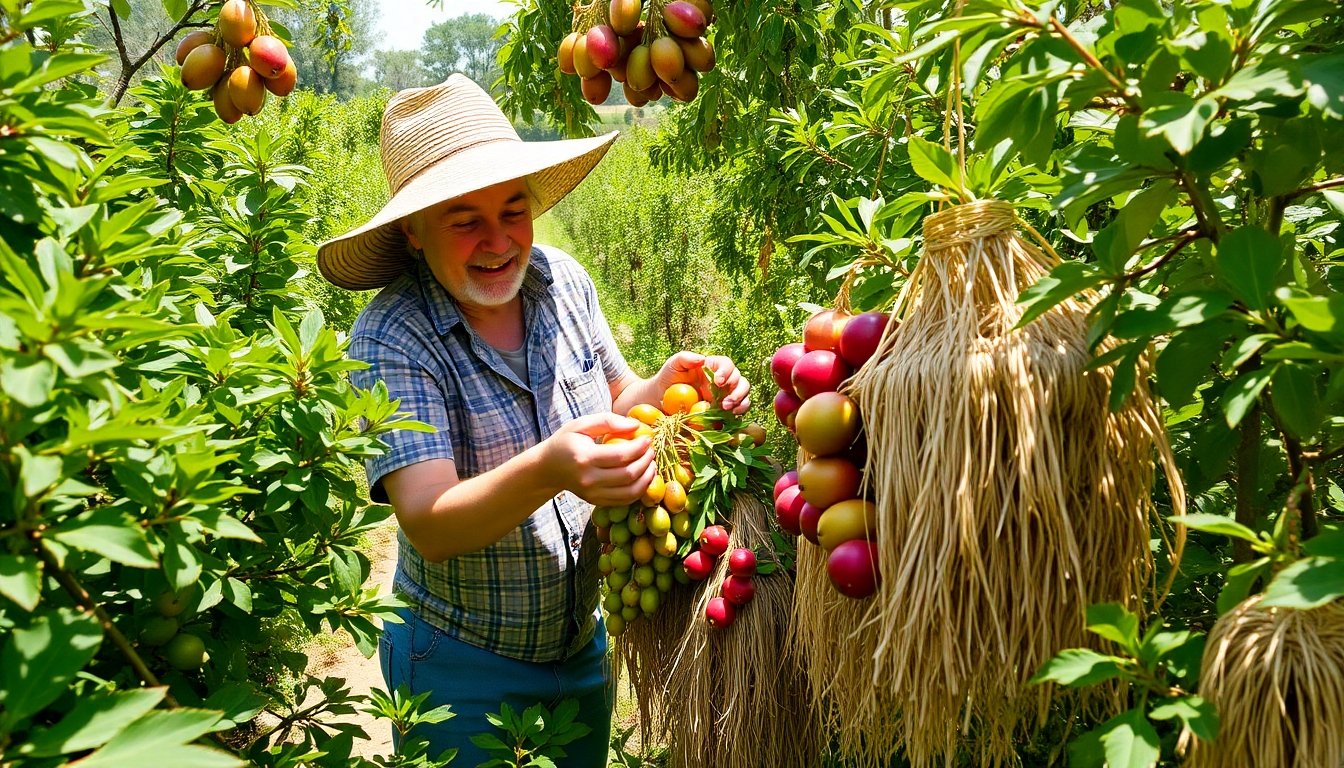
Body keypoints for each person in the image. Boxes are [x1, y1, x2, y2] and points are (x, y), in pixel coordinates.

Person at [316, 74, 751, 766]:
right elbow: (429, 522)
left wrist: (670, 384)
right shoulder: (393, 335)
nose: (499, 241)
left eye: (514, 212)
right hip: (461, 664)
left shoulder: (563, 281)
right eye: (466, 221)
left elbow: (617, 400)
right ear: (414, 230)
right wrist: (551, 466)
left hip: (580, 643)